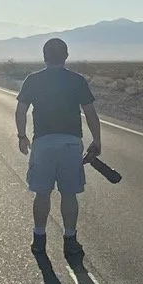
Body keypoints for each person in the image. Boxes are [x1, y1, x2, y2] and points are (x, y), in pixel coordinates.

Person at [15, 38, 102, 260]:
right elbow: (90, 113)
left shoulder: (33, 80)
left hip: (43, 143)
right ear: (65, 56)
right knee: (69, 194)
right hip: (70, 143)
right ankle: (70, 239)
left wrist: (22, 136)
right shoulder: (77, 80)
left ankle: (39, 238)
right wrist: (97, 141)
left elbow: (21, 110)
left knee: (42, 192)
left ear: (44, 56)